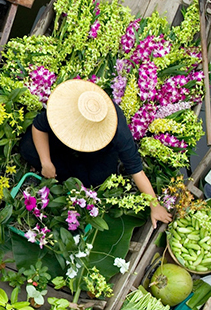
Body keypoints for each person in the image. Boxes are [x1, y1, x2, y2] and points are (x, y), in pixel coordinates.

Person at [19, 79, 172, 229]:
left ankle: (67, 178)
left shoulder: (118, 131)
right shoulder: (65, 108)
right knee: (28, 148)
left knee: (95, 180)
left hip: (98, 153)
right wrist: (46, 162)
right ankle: (58, 170)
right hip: (60, 140)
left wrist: (155, 205)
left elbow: (136, 169)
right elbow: (38, 127)